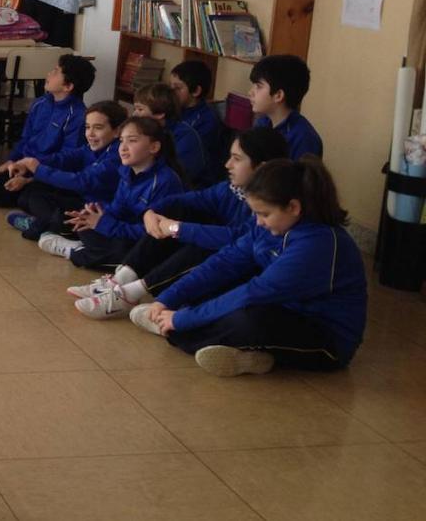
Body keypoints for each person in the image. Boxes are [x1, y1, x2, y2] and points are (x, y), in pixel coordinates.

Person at [131, 158, 366, 377]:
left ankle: (172, 329)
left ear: (293, 207)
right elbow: (224, 263)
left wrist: (181, 320)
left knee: (245, 320)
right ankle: (253, 356)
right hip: (279, 310)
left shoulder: (318, 244)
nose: (258, 221)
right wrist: (168, 298)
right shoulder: (268, 228)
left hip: (326, 341)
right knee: (215, 292)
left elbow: (254, 293)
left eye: (264, 213)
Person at [70, 127, 289, 319]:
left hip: (241, 273)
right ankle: (121, 280)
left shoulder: (272, 205)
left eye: (237, 159)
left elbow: (237, 240)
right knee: (176, 213)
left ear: (262, 167)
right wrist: (152, 211)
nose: (227, 164)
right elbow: (190, 199)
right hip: (190, 253)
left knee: (201, 243)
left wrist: (175, 228)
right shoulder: (232, 188)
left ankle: (131, 293)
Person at [38, 116, 185, 269]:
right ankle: (89, 248)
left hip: (150, 242)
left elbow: (152, 233)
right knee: (84, 224)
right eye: (121, 140)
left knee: (126, 255)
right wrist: (97, 214)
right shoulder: (127, 172)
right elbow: (118, 208)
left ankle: (75, 252)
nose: (123, 147)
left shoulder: (165, 181)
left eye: (132, 140)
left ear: (153, 147)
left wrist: (105, 224)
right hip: (126, 232)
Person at [1, 100, 125, 240]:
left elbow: (81, 181)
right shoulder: (94, 147)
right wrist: (27, 164)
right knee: (29, 193)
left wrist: (36, 167)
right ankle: (49, 225)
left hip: (97, 208)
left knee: (53, 207)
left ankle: (40, 228)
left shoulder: (117, 156)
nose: (90, 133)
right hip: (82, 197)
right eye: (87, 127)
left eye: (98, 128)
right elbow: (65, 158)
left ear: (116, 131)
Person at [0, 53, 95, 208]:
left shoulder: (78, 116)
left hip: (47, 171)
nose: (49, 74)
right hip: (25, 164)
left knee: (29, 199)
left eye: (56, 72)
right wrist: (12, 161)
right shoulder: (41, 103)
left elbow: (67, 160)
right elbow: (25, 139)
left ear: (68, 86)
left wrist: (31, 178)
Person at [248, 54, 323, 159]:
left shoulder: (304, 138)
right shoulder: (262, 123)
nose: (250, 92)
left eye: (259, 87)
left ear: (278, 95)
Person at [133, 82, 207, 186]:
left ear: (159, 114)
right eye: (135, 109)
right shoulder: (146, 130)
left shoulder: (185, 136)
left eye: (140, 109)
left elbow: (179, 176)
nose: (134, 114)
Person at [169, 60, 225, 179]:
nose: (171, 93)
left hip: (195, 179)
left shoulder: (206, 120)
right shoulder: (175, 109)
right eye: (171, 87)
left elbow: (187, 158)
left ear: (196, 91)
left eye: (178, 88)